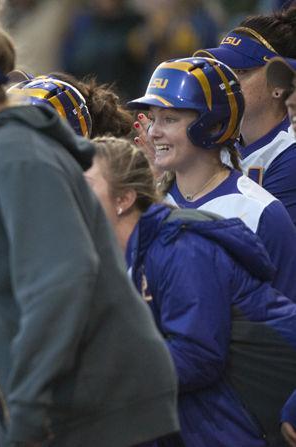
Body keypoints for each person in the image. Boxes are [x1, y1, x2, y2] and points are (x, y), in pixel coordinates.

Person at [0, 0, 180, 445]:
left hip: (100, 409)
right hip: (76, 404)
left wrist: (29, 408)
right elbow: (7, 285)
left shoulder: (17, 153)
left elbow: (65, 282)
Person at [85, 136, 296, 446]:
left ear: (124, 199)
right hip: (217, 419)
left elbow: (198, 356)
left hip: (244, 421)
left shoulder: (180, 248)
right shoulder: (140, 253)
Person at [127, 56, 296, 303]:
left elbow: (285, 326)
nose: (154, 132)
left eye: (169, 119)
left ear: (213, 126)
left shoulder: (261, 212)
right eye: (153, 118)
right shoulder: (144, 206)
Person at [189, 8, 296, 222]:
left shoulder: (290, 155)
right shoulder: (220, 142)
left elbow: (255, 243)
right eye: (223, 71)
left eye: (240, 72)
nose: (225, 83)